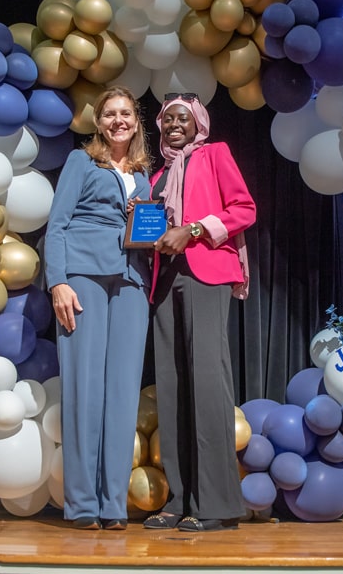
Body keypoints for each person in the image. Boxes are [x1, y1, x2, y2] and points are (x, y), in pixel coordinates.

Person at [141, 93, 256, 533]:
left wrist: (192, 230)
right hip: (166, 282)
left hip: (207, 274)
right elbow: (151, 230)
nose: (173, 124)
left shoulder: (214, 155)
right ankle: (179, 498)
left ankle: (218, 504)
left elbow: (244, 209)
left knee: (207, 385)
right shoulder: (157, 176)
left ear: (198, 124)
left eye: (181, 118)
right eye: (167, 118)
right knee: (171, 389)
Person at [45, 86, 152, 530]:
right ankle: (84, 504)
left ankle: (113, 504)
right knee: (84, 390)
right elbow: (57, 225)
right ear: (99, 122)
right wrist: (58, 283)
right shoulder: (80, 161)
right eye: (110, 114)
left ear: (136, 120)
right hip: (84, 278)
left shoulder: (146, 175)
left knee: (123, 394)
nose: (118, 120)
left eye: (125, 113)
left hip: (130, 281)